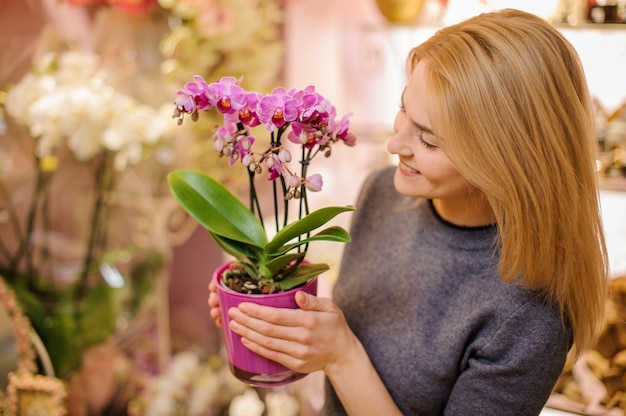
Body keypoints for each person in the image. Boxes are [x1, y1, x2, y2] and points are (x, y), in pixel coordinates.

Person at [208, 8, 608, 415]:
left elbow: (350, 354)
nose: (395, 144)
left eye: (429, 141)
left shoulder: (529, 318)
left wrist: (342, 357)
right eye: (404, 109)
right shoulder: (384, 193)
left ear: (506, 160)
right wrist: (268, 322)